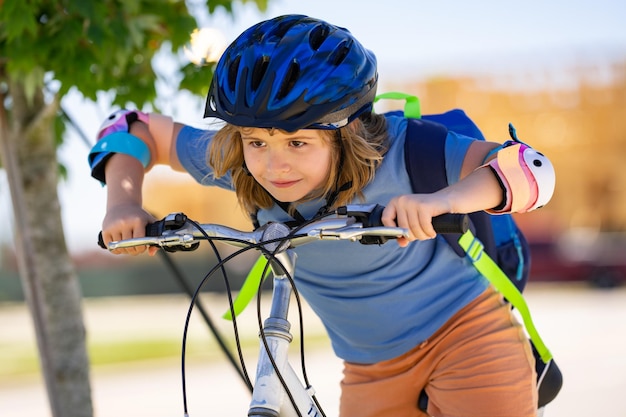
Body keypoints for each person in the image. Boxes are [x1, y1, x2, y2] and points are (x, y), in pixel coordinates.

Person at [90, 14, 556, 417]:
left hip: (467, 337)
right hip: (369, 367)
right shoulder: (237, 166)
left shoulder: (405, 151)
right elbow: (130, 127)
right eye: (256, 141)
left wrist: (443, 201)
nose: (275, 165)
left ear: (346, 132)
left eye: (297, 142)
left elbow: (530, 169)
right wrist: (123, 202)